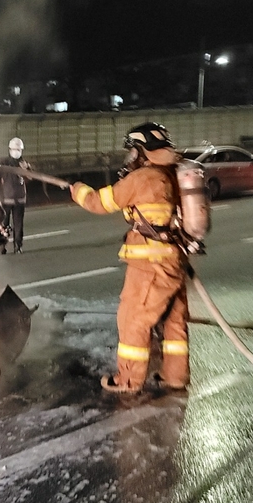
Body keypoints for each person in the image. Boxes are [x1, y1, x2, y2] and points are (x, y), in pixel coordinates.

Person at [68, 122, 190, 394]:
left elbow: (100, 202)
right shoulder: (172, 175)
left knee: (133, 319)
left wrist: (79, 191)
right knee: (174, 322)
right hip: (174, 263)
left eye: (133, 151)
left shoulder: (145, 178)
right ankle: (175, 376)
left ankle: (128, 380)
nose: (130, 157)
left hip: (150, 266)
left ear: (143, 151)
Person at [0, 137, 29, 253]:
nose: (16, 152)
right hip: (6, 199)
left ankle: (17, 246)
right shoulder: (3, 163)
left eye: (18, 150)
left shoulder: (24, 164)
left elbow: (30, 177)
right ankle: (2, 246)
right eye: (15, 149)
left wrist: (27, 169)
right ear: (10, 150)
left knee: (18, 224)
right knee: (3, 224)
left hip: (20, 199)